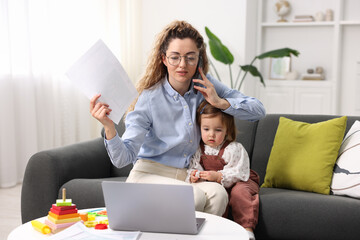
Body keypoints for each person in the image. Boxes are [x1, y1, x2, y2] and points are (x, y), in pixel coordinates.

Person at [90, 20, 265, 217]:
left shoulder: (206, 86)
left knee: (218, 194)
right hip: (149, 174)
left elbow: (258, 111)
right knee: (196, 197)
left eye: (190, 58)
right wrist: (109, 127)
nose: (182, 65)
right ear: (164, 59)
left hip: (185, 175)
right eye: (175, 57)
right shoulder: (149, 98)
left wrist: (220, 101)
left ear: (199, 60)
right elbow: (123, 158)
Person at [187, 100, 260, 240]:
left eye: (218, 130)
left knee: (239, 193)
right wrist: (195, 175)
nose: (211, 135)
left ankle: (247, 229)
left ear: (227, 130)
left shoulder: (234, 148)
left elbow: (239, 172)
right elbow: (194, 166)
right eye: (206, 129)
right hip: (216, 184)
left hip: (240, 180)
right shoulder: (198, 149)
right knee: (216, 196)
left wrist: (218, 176)